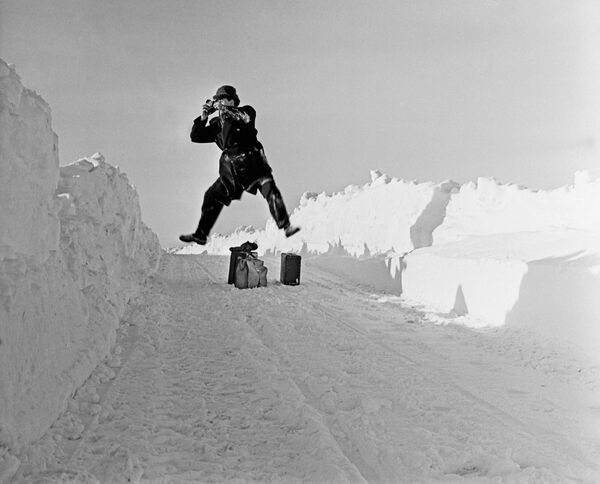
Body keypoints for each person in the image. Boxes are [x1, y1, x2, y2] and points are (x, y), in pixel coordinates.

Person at [180, 85, 300, 245]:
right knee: (211, 196)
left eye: (222, 99)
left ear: (232, 100)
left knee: (269, 189)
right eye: (218, 100)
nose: (219, 102)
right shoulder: (217, 124)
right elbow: (196, 136)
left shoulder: (246, 111)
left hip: (254, 164)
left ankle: (285, 226)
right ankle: (201, 234)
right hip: (232, 170)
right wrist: (203, 117)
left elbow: (241, 116)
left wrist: (222, 108)